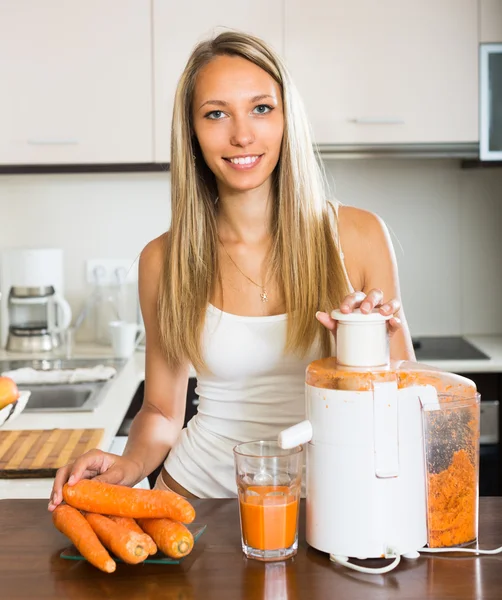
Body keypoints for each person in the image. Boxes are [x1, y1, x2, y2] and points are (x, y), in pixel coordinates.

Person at [48, 30, 415, 507]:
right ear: (193, 133)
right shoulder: (164, 260)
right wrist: (130, 464)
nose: (242, 135)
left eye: (261, 108)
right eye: (216, 113)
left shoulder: (357, 236)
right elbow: (161, 411)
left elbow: (406, 396)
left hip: (334, 503)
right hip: (197, 503)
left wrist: (369, 345)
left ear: (287, 118)